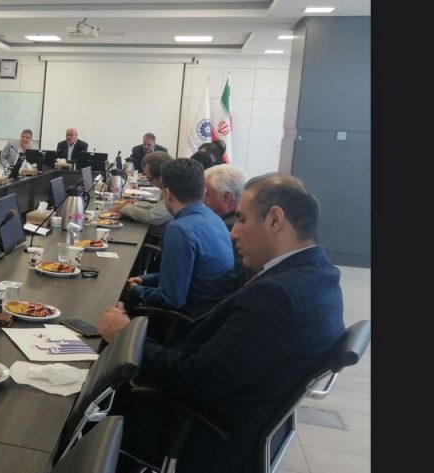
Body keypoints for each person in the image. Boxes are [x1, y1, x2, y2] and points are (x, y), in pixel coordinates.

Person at [97, 174, 344, 473]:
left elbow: (195, 380)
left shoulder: (278, 297)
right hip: (232, 414)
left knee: (85, 400)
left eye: (241, 219)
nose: (233, 233)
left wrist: (126, 338)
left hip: (197, 431)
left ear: (275, 219)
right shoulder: (320, 275)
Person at [123, 158, 236, 317]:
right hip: (210, 314)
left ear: (168, 194)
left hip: (186, 321)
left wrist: (135, 290)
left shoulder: (179, 230)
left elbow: (171, 299)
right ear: (203, 192)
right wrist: (145, 280)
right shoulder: (214, 218)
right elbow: (186, 274)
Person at [204, 164, 252, 284]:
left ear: (226, 197)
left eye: (207, 195)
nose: (202, 200)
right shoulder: (248, 222)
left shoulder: (226, 230)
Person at [109, 152, 174, 226]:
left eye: (149, 179)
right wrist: (126, 206)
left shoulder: (173, 190)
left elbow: (151, 216)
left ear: (160, 177)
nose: (150, 183)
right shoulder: (168, 185)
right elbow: (157, 208)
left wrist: (125, 209)